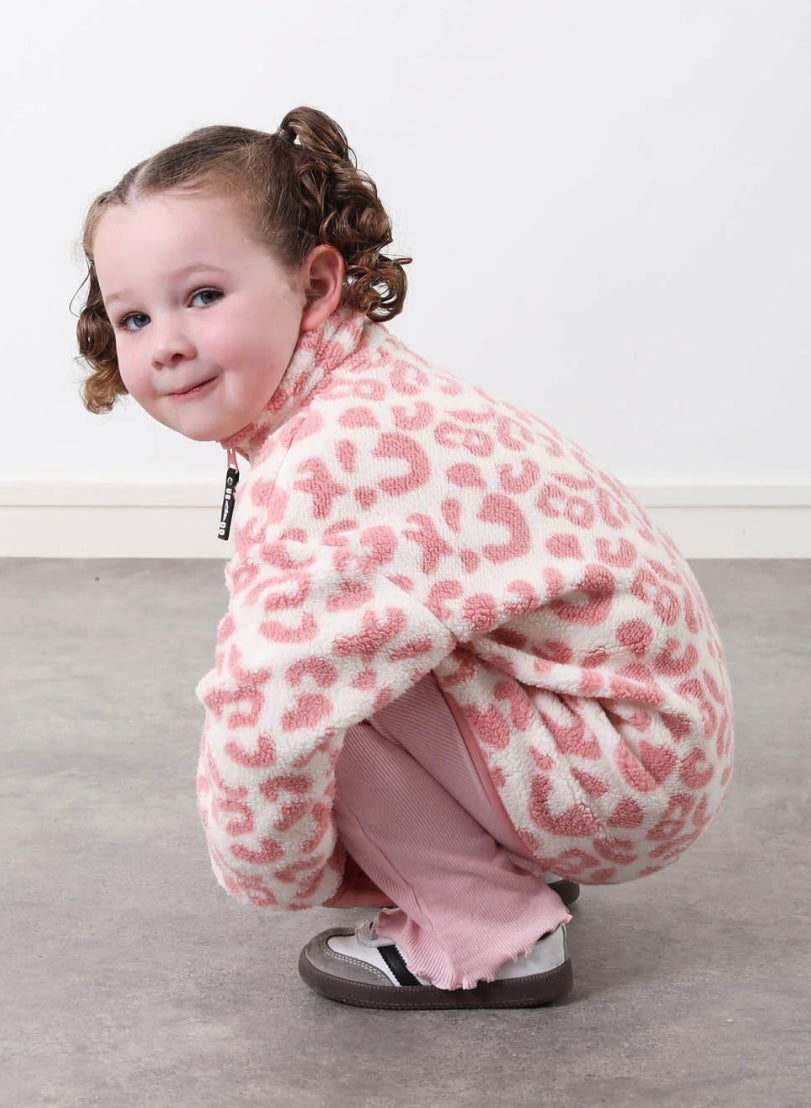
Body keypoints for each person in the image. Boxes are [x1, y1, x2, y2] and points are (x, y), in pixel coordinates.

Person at [75, 106, 734, 1010]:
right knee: (350, 645)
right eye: (133, 317)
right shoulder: (367, 388)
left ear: (314, 285)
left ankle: (489, 928)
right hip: (645, 740)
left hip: (622, 779)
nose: (167, 343)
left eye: (202, 296)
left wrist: (280, 871)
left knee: (315, 692)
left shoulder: (329, 457)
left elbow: (271, 715)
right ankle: (495, 852)